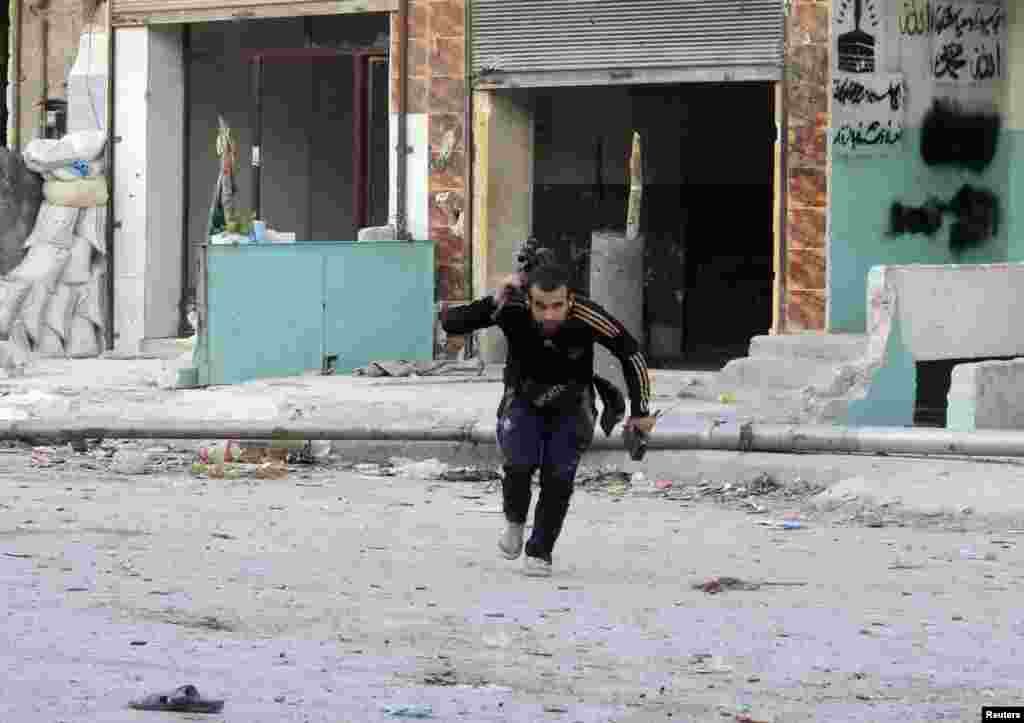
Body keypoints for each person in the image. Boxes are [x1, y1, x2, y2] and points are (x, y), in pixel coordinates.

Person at [441, 262, 657, 577]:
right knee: (519, 464)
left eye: (558, 306)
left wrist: (640, 412)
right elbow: (452, 324)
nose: (550, 315)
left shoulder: (587, 315)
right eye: (541, 306)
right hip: (523, 400)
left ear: (571, 300)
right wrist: (492, 300)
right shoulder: (510, 307)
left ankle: (540, 550)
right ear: (528, 301)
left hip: (573, 402)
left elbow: (631, 353)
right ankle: (515, 522)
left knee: (559, 477)